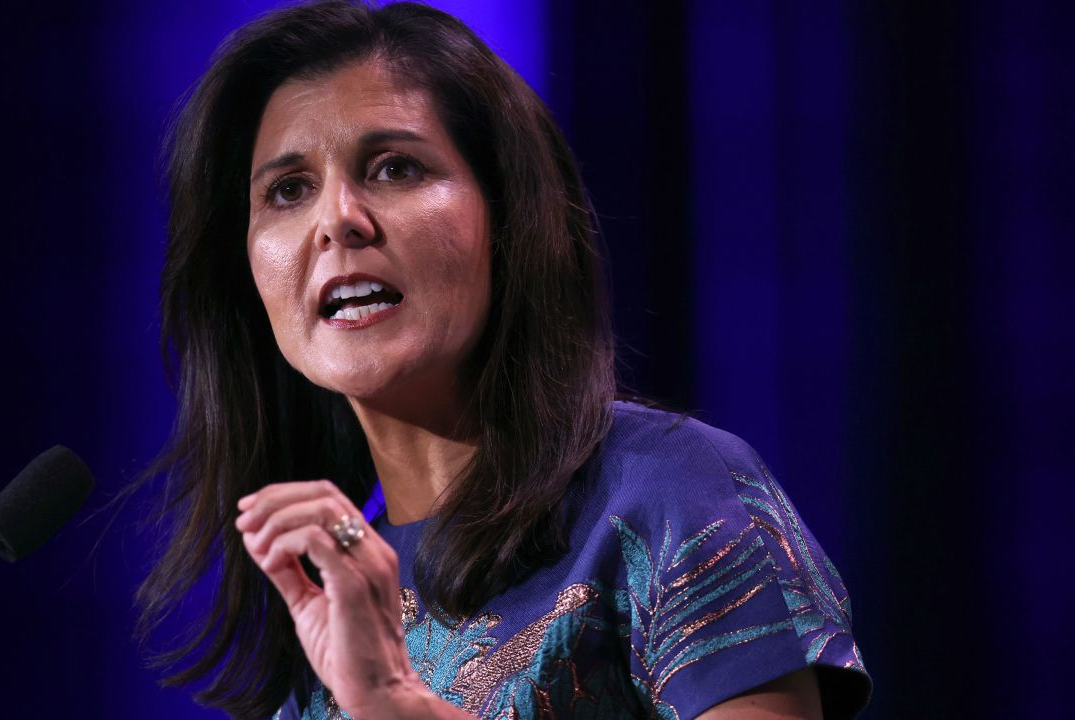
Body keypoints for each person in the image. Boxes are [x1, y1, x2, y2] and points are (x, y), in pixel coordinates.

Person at [137, 1, 872, 718]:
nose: (337, 220)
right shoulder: (332, 601)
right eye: (288, 190)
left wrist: (399, 705)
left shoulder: (666, 492)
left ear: (508, 215)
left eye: (394, 168)